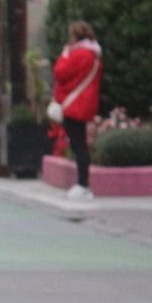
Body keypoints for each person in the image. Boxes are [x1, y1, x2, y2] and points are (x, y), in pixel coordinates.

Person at [53, 21, 102, 201]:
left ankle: (83, 184)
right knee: (80, 143)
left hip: (74, 105)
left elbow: (60, 72)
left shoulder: (78, 54)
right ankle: (83, 184)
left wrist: (65, 54)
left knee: (78, 145)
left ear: (75, 37)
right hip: (85, 103)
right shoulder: (94, 55)